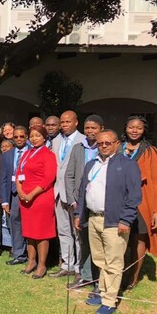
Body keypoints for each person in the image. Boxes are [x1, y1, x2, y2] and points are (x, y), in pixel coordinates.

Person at [75, 130, 142, 314]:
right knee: (99, 259)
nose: (103, 146)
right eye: (100, 143)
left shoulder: (128, 165)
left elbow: (134, 196)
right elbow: (82, 192)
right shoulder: (91, 165)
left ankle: (109, 300)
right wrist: (79, 214)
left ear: (117, 143)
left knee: (113, 261)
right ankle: (102, 291)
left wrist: (126, 219)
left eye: (108, 143)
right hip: (94, 218)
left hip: (114, 221)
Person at [121, 115, 157, 289]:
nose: (134, 131)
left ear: (144, 130)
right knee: (120, 238)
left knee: (138, 238)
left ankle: (134, 276)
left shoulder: (150, 152)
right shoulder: (117, 148)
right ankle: (119, 272)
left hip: (141, 201)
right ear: (126, 128)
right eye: (131, 127)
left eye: (138, 128)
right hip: (120, 201)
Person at [64, 115, 104, 289]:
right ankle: (86, 275)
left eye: (93, 128)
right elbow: (69, 175)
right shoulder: (77, 148)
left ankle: (101, 279)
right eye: (87, 128)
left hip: (99, 202)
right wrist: (73, 200)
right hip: (79, 203)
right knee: (83, 240)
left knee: (101, 242)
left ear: (101, 128)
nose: (90, 131)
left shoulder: (106, 148)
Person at [16, 125, 57, 278]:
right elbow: (18, 172)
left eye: (37, 136)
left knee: (41, 233)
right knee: (30, 232)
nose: (34, 139)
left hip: (40, 198)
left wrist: (31, 194)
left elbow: (48, 178)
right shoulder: (27, 153)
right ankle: (31, 261)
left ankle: (42, 264)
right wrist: (20, 191)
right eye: (32, 136)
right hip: (25, 198)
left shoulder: (48, 155)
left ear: (44, 137)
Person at [50, 110, 86, 280]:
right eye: (62, 122)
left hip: (74, 193)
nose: (64, 125)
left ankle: (79, 267)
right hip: (57, 191)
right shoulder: (56, 141)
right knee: (63, 230)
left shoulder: (84, 141)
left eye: (68, 122)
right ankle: (67, 264)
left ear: (76, 122)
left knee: (77, 231)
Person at [1, 126, 30, 265]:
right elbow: (4, 179)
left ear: (26, 137)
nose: (19, 139)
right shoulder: (7, 155)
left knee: (29, 224)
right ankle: (19, 254)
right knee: (15, 223)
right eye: (16, 137)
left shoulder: (32, 152)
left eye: (22, 136)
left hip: (29, 193)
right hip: (12, 194)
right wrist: (5, 201)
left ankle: (32, 254)